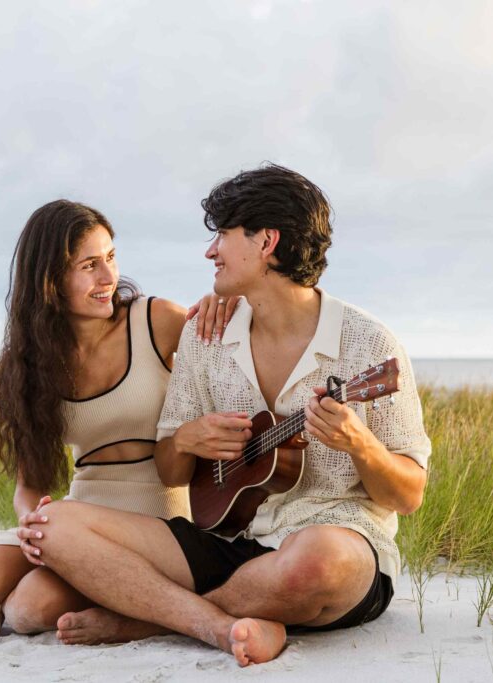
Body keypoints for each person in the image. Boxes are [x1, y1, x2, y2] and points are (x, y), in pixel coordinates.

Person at [27, 164, 432, 666]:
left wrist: (361, 445)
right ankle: (215, 623)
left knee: (318, 562)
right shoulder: (206, 335)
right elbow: (172, 471)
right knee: (51, 524)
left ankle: (144, 620)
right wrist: (188, 439)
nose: (210, 251)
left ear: (266, 242)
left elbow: (409, 495)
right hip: (227, 540)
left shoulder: (369, 345)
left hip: (332, 542)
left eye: (222, 234)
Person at [0, 199, 235, 633]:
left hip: (160, 521)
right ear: (49, 279)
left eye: (110, 257)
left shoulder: (155, 321)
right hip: (78, 520)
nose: (109, 277)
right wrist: (31, 526)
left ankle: (22, 601)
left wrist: (227, 304)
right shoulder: (30, 363)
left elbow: (236, 360)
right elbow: (30, 486)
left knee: (30, 612)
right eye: (89, 265)